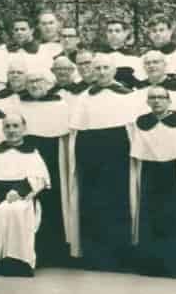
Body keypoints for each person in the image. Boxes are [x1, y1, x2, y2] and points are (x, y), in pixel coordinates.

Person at [68, 54, 140, 270]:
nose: (101, 72)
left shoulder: (128, 95)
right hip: (91, 153)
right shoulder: (84, 97)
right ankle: (95, 256)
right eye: (97, 68)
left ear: (114, 70)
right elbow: (78, 129)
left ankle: (120, 256)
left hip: (118, 153)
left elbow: (133, 129)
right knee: (93, 201)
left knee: (119, 201)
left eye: (105, 68)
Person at [0, 113, 49, 277]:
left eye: (15, 126)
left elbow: (38, 178)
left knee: (14, 210)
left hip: (19, 195)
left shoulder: (32, 153)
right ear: (3, 129)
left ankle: (15, 261)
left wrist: (19, 191)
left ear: (24, 128)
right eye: (7, 126)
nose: (11, 130)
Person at [17, 70, 73, 266]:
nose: (34, 85)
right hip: (27, 156)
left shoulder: (60, 105)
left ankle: (54, 252)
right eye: (30, 81)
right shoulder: (20, 104)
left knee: (53, 200)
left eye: (38, 81)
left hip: (52, 157)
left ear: (48, 84)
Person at [129, 86, 176, 278]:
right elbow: (138, 152)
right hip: (150, 173)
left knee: (174, 218)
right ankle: (152, 266)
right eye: (152, 97)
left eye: (161, 97)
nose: (157, 101)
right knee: (150, 217)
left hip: (174, 173)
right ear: (147, 101)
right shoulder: (142, 123)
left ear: (169, 100)